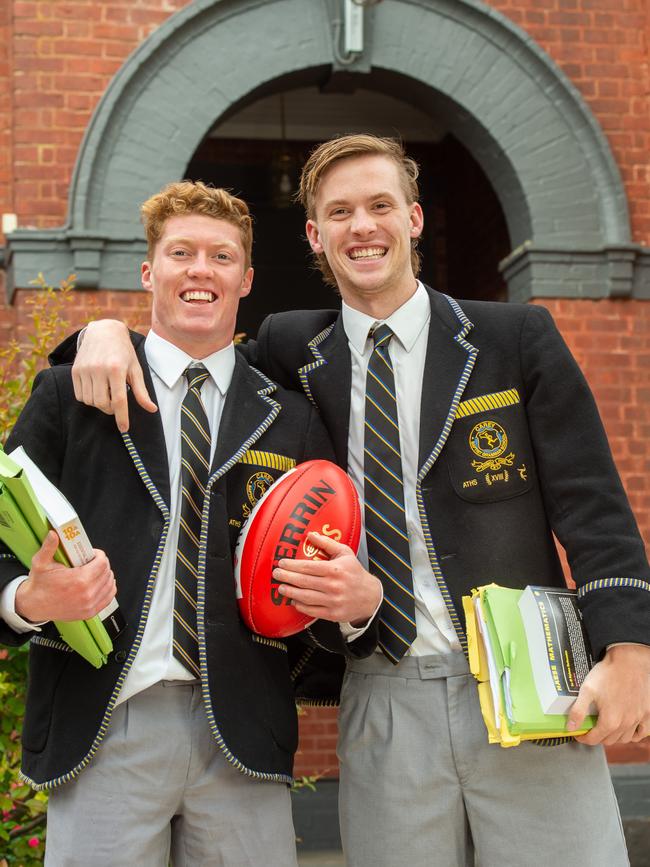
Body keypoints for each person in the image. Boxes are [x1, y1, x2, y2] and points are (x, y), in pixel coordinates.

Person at [51, 137, 650, 866]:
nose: (361, 225)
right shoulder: (289, 349)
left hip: (529, 687)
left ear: (415, 219)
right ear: (314, 235)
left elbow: (594, 505)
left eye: (379, 206)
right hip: (383, 693)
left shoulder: (511, 338)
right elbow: (191, 358)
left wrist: (630, 647)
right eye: (339, 212)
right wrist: (105, 332)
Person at [0, 180, 381, 866]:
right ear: (150, 272)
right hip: (106, 719)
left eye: (220, 255)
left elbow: (322, 576)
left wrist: (352, 604)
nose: (201, 269)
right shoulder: (72, 392)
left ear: (246, 279)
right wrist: (30, 600)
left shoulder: (290, 417)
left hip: (241, 724)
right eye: (181, 252)